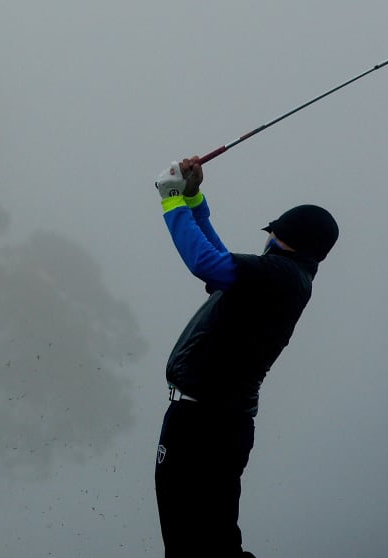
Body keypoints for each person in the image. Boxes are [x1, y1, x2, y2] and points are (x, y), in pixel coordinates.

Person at [151, 157, 339, 557]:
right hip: (215, 422)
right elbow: (221, 259)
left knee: (194, 545)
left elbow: (207, 263)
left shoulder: (280, 276)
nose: (267, 239)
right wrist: (193, 199)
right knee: (210, 542)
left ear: (284, 238)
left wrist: (171, 199)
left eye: (272, 232)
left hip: (204, 424)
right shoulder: (282, 276)